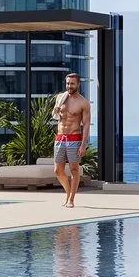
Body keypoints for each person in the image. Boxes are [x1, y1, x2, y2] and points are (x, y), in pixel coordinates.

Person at [51, 73, 91, 207]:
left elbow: (86, 124)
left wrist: (83, 144)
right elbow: (55, 116)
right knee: (57, 170)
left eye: (72, 83)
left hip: (74, 138)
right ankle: (68, 193)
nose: (69, 86)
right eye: (68, 83)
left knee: (74, 169)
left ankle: (71, 199)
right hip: (60, 137)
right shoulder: (60, 98)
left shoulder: (83, 103)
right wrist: (55, 110)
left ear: (78, 84)